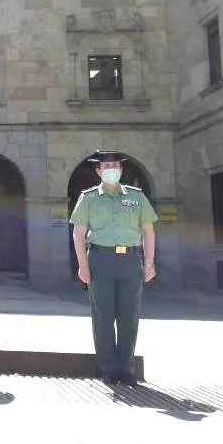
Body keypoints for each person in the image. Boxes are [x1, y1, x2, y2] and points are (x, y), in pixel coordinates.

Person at [69, 150, 158, 387]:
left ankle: (125, 368)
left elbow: (148, 231)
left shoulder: (136, 197)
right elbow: (78, 233)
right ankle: (109, 368)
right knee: (103, 316)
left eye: (115, 166)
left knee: (129, 316)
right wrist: (82, 266)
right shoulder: (88, 198)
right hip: (100, 258)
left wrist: (149, 263)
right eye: (106, 166)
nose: (111, 170)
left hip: (130, 259)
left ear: (121, 169)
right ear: (98, 171)